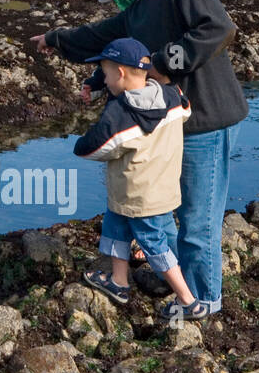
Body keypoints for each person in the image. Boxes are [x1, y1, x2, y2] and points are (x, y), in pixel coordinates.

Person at [30, 0, 248, 317]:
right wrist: (57, 39)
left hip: (208, 124)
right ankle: (185, 290)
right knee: (164, 211)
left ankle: (206, 302)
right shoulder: (140, 9)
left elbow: (218, 29)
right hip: (173, 129)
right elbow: (103, 36)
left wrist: (162, 65)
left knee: (198, 222)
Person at [73, 37, 202, 318]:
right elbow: (186, 108)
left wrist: (84, 138)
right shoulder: (170, 96)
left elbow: (92, 148)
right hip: (159, 189)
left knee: (153, 242)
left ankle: (188, 301)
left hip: (139, 195)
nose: (104, 81)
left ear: (120, 73)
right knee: (115, 222)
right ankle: (119, 282)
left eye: (105, 74)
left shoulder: (122, 113)